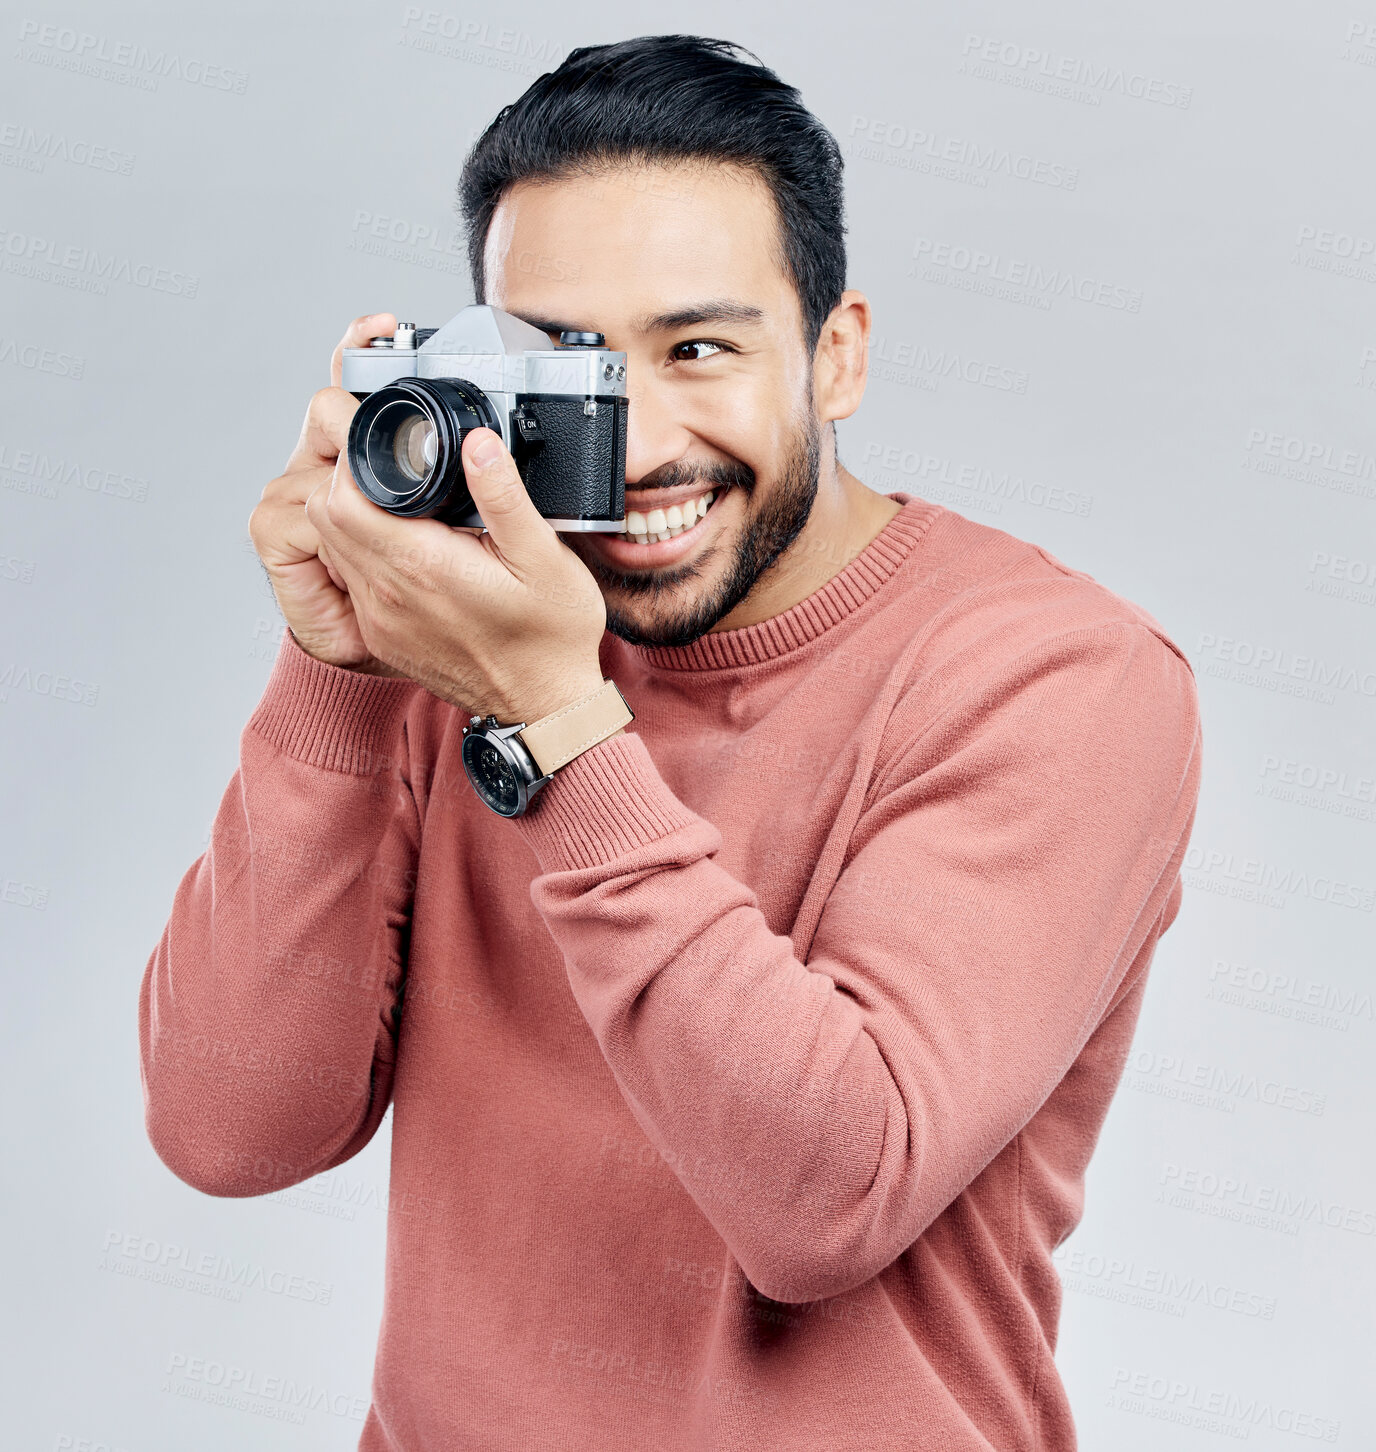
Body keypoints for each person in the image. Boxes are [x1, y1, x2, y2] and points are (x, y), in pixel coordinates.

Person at [138, 33, 1203, 1451]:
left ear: (838, 355)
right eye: (565, 366)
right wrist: (334, 661)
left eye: (698, 348)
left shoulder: (1061, 680)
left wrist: (559, 722)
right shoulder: (464, 631)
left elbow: (823, 1200)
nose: (633, 447)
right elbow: (229, 1127)